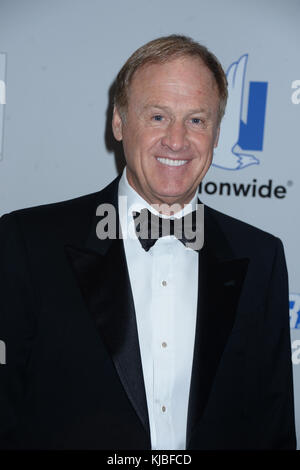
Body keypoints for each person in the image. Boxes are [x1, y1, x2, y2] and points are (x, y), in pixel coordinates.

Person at [0, 35, 296, 450]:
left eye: (197, 120)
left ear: (216, 133)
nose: (176, 140)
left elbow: (273, 425)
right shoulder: (27, 244)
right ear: (118, 122)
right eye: (158, 117)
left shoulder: (261, 257)